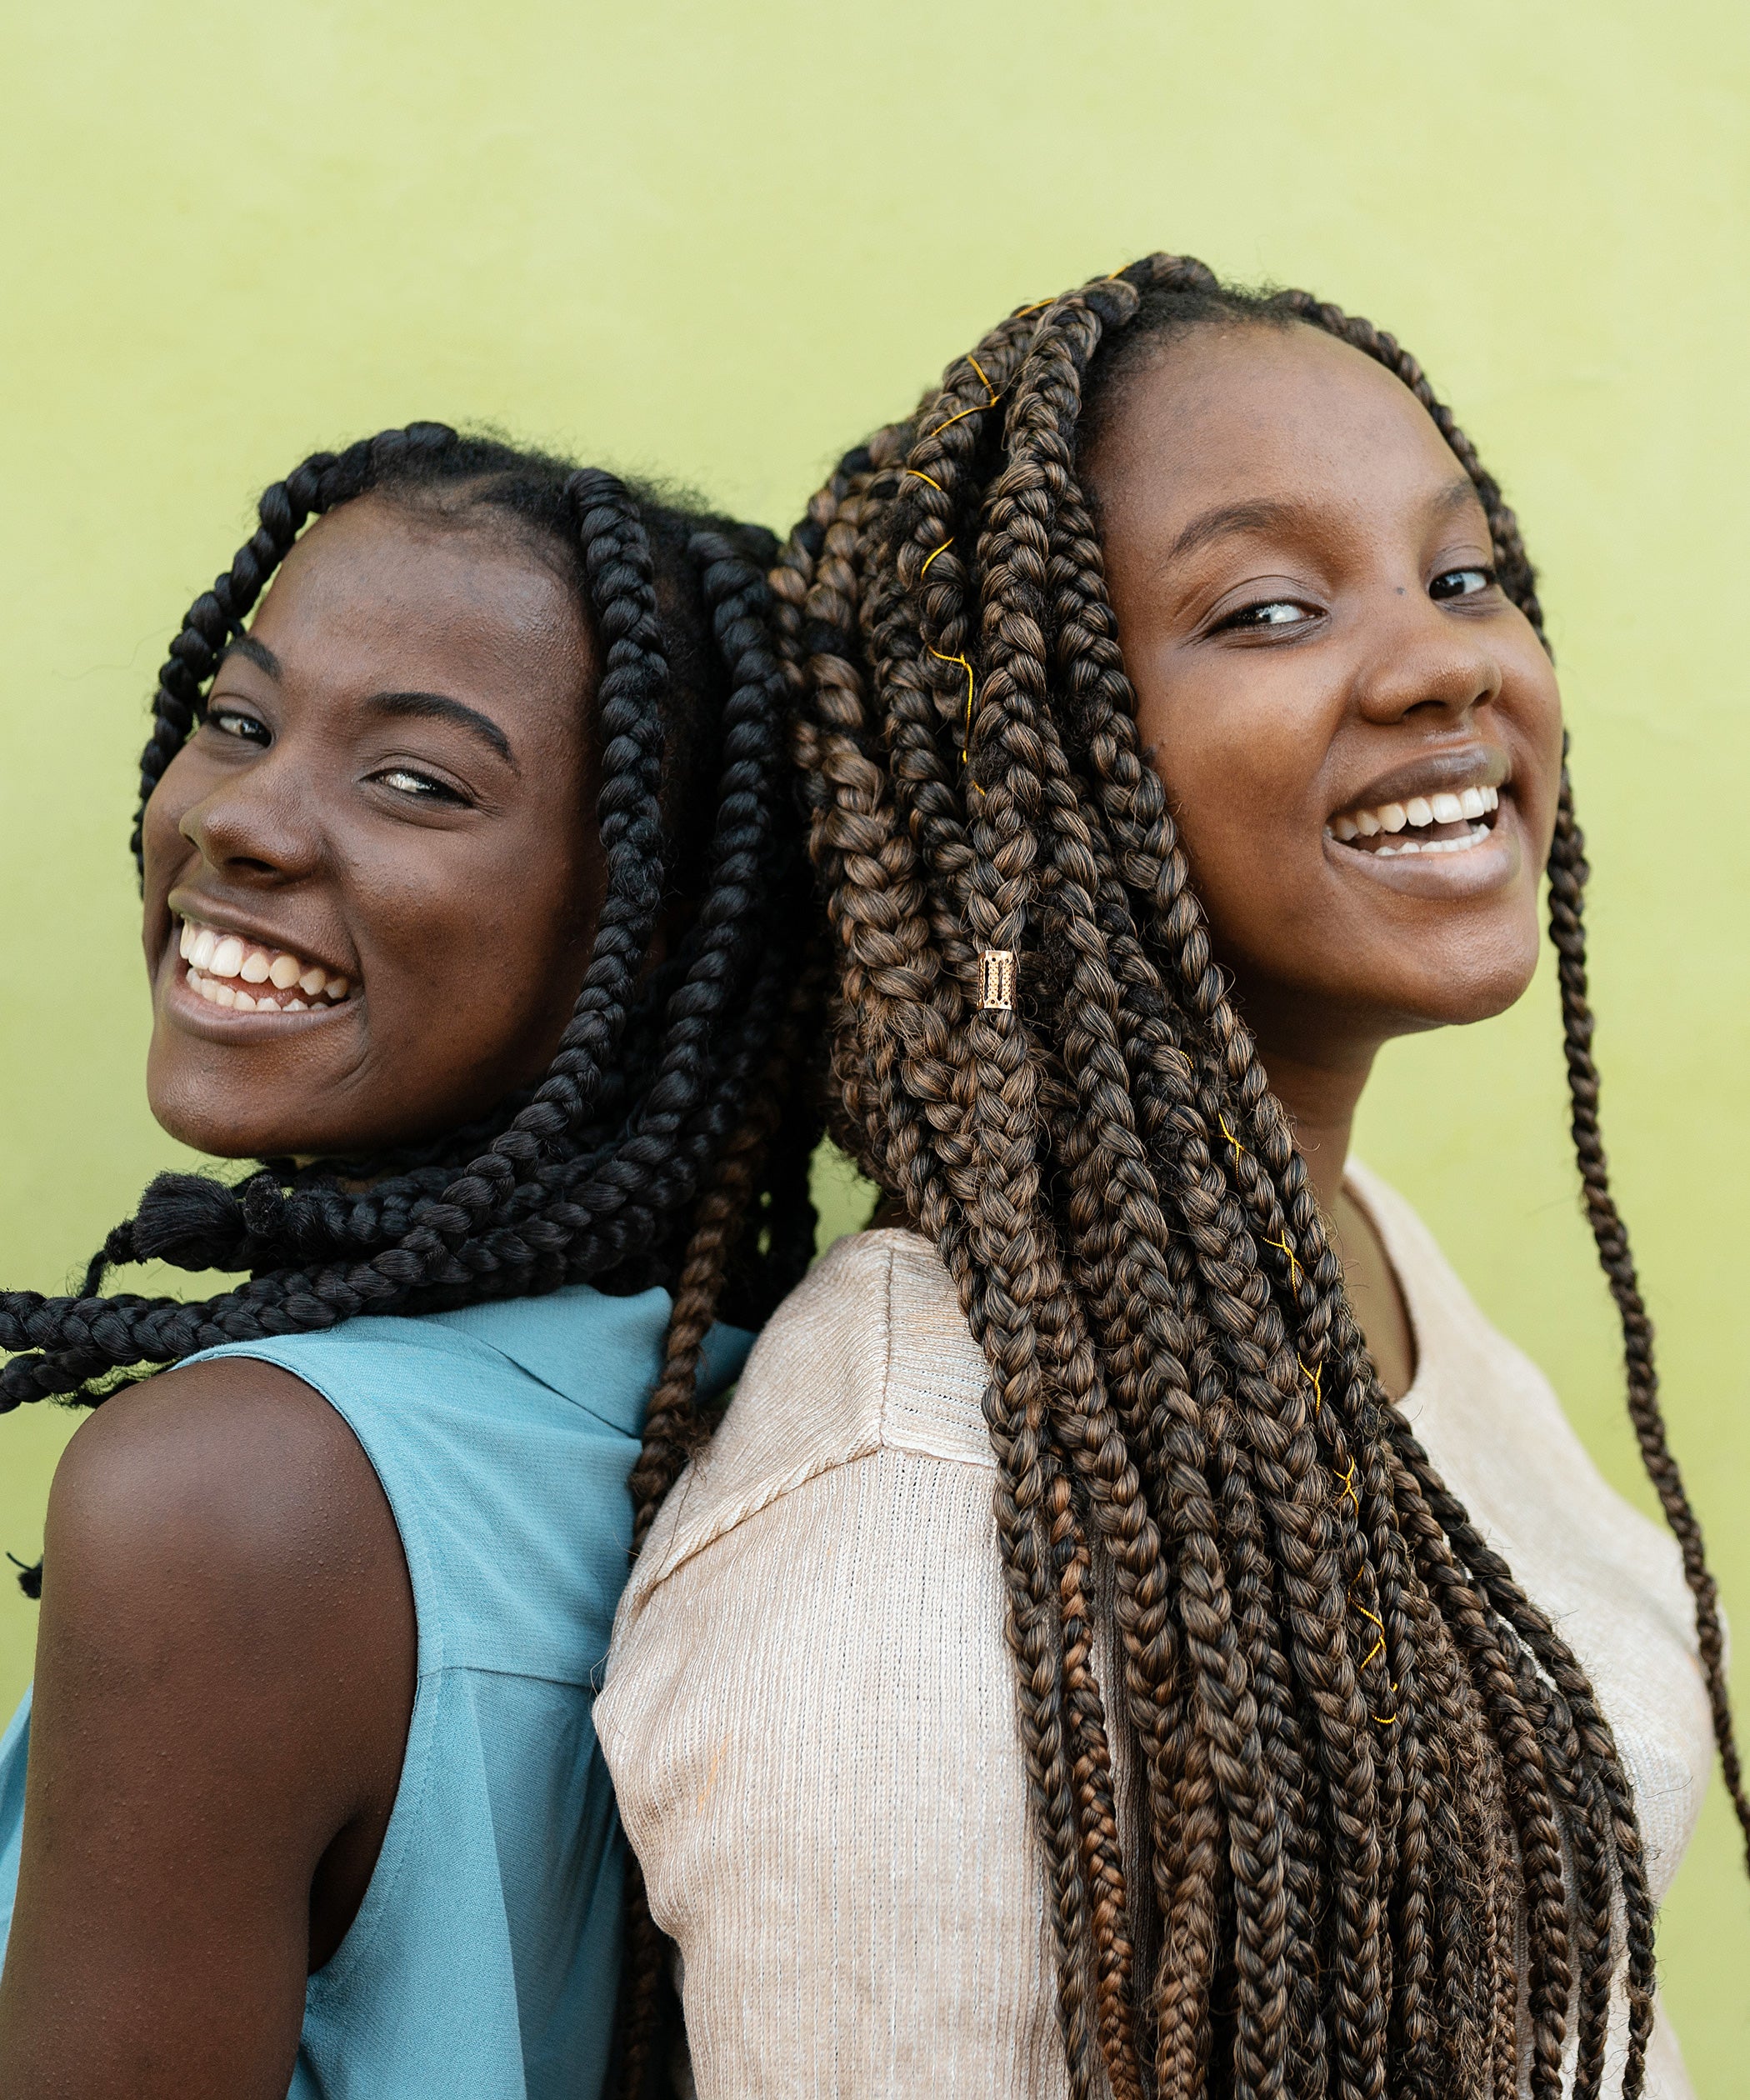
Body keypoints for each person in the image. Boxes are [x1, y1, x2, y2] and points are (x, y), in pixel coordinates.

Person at [598, 258, 1748, 2098]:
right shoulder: (901, 1577)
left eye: (1466, 577)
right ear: (1022, 784)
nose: (1450, 658)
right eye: (1273, 609)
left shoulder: (1341, 1255)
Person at [0, 424, 822, 2100]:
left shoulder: (238, 1496)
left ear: (648, 926)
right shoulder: (752, 1407)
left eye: (418, 783)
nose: (241, 817)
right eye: (238, 721)